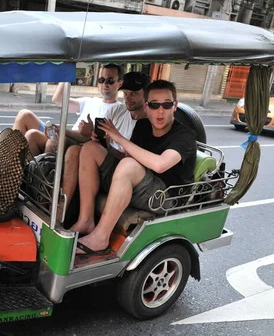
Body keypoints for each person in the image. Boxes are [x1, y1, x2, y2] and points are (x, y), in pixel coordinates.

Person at [72, 80, 197, 255]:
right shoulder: (143, 126)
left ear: (175, 106)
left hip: (166, 197)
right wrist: (107, 144)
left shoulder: (185, 135)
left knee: (129, 166)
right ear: (146, 107)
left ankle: (100, 237)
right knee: (91, 149)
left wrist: (119, 137)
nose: (160, 111)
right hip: (140, 184)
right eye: (154, 105)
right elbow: (128, 157)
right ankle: (86, 220)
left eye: (166, 105)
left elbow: (160, 165)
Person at [60, 71, 151, 216]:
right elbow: (98, 141)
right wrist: (92, 134)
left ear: (146, 94)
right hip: (104, 159)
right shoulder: (117, 111)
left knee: (87, 149)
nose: (128, 98)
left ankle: (81, 217)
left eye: (133, 94)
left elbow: (131, 164)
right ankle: (62, 208)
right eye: (125, 93)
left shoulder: (146, 125)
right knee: (74, 150)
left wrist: (110, 143)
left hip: (125, 171)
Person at [12, 64, 131, 156]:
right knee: (24, 116)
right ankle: (9, 165)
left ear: (120, 84)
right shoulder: (90, 101)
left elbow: (108, 143)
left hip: (76, 144)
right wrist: (67, 73)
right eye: (101, 80)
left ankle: (45, 178)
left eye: (110, 80)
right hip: (63, 135)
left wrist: (89, 133)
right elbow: (58, 99)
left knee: (48, 138)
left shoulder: (120, 110)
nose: (105, 84)